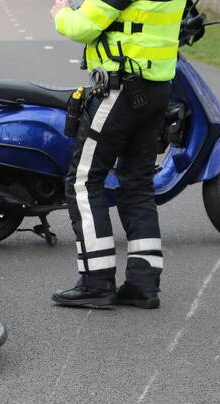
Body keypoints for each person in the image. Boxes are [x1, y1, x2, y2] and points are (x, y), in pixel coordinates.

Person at [49, 0, 186, 310]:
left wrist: (62, 14)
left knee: (83, 180)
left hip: (120, 89)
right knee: (137, 184)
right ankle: (143, 285)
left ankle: (95, 283)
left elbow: (84, 27)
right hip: (156, 89)